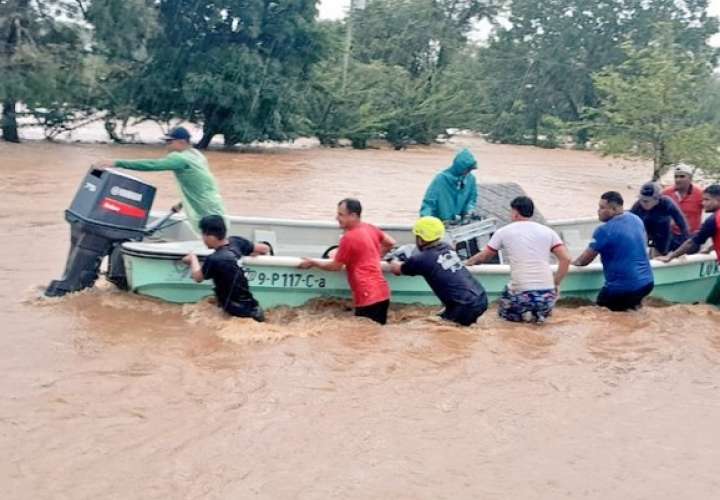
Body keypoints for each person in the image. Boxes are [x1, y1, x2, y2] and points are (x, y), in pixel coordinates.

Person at [96, 126, 226, 234]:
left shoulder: (180, 159)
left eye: (170, 142)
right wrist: (181, 204)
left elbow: (152, 165)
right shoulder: (197, 155)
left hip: (204, 209)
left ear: (182, 142)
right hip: (214, 202)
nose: (167, 146)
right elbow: (201, 184)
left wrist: (117, 162)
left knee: (210, 238)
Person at [465, 196, 571, 323]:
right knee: (541, 326)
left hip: (520, 292)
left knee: (506, 324)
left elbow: (485, 256)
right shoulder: (548, 232)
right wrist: (556, 284)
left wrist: (467, 263)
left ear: (515, 213)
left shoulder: (504, 232)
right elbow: (566, 259)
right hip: (546, 294)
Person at [298, 199, 396, 325]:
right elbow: (390, 242)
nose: (337, 218)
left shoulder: (348, 238)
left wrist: (313, 262)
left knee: (362, 339)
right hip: (383, 293)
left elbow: (335, 266)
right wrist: (374, 256)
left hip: (367, 296)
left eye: (341, 215)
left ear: (353, 216)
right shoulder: (370, 228)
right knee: (373, 337)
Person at [389, 216, 488, 326]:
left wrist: (391, 258)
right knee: (443, 321)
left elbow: (396, 269)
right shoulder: (447, 247)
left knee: (434, 330)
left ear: (420, 239)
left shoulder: (421, 259)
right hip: (480, 297)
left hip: (463, 306)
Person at [574, 191, 654, 311]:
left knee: (599, 314)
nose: (598, 211)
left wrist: (569, 264)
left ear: (614, 209)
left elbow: (583, 261)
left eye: (602, 207)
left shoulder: (604, 230)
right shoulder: (636, 219)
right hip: (647, 283)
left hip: (623, 288)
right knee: (632, 312)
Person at [183, 215, 269, 321]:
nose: (202, 239)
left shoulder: (214, 259)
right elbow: (265, 249)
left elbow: (198, 277)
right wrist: (251, 253)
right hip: (255, 310)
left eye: (203, 235)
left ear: (210, 237)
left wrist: (192, 258)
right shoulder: (236, 241)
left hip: (238, 315)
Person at [656, 184, 720, 305]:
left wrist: (671, 256)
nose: (702, 203)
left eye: (707, 200)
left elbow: (692, 242)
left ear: (718, 200)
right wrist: (711, 248)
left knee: (712, 306)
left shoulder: (713, 220)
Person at [631, 181, 689, 256]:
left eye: (646, 201)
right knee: (649, 247)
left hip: (664, 234)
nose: (642, 203)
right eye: (641, 199)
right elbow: (628, 224)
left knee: (660, 252)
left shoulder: (666, 203)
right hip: (649, 235)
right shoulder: (637, 206)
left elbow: (682, 223)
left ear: (657, 199)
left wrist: (685, 244)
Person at [419, 148, 478, 222]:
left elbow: (472, 198)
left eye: (470, 169)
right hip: (440, 222)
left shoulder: (471, 179)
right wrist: (425, 219)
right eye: (467, 169)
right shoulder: (441, 179)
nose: (468, 172)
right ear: (459, 167)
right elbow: (429, 202)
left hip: (457, 222)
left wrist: (469, 211)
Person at [662, 163, 704, 251]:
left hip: (691, 238)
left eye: (682, 176)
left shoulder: (700, 194)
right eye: (676, 177)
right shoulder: (666, 193)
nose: (678, 179)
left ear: (690, 178)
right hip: (670, 236)